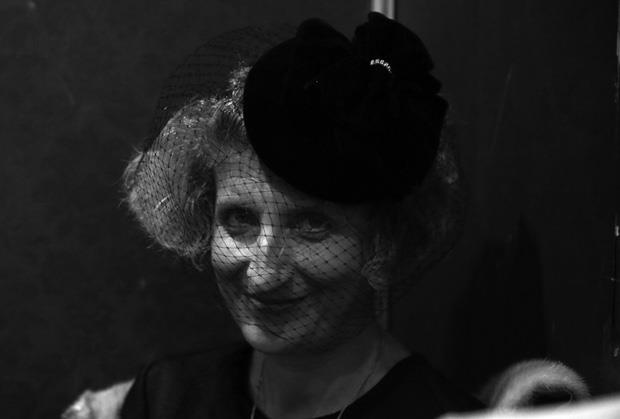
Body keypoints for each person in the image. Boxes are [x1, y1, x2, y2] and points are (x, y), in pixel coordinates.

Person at [120, 12, 481, 419]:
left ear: (385, 241)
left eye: (311, 225)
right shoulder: (165, 399)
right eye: (239, 219)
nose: (263, 276)